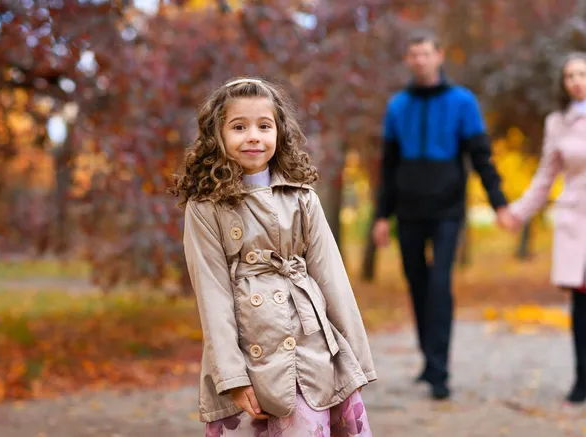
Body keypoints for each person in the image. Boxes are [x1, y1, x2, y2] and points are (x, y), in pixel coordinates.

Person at [170, 77, 377, 435]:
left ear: (279, 132)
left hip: (313, 346)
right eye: (239, 127)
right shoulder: (205, 207)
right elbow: (212, 294)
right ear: (216, 135)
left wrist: (354, 358)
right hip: (254, 350)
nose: (253, 136)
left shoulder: (302, 197)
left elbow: (332, 276)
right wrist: (232, 376)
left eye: (264, 126)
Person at [372, 30, 513, 400]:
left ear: (439, 56)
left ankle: (440, 372)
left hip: (448, 209)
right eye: (413, 54)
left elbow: (481, 156)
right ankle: (429, 360)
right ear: (408, 60)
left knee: (439, 287)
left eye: (425, 53)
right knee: (417, 285)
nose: (420, 60)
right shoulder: (397, 106)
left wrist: (499, 203)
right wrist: (382, 216)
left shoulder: (462, 102)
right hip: (408, 210)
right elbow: (387, 167)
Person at [500, 52, 586, 405]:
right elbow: (545, 177)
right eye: (570, 76)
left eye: (582, 73)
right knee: (582, 305)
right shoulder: (557, 122)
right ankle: (582, 379)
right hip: (576, 223)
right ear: (563, 84)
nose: (577, 80)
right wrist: (517, 212)